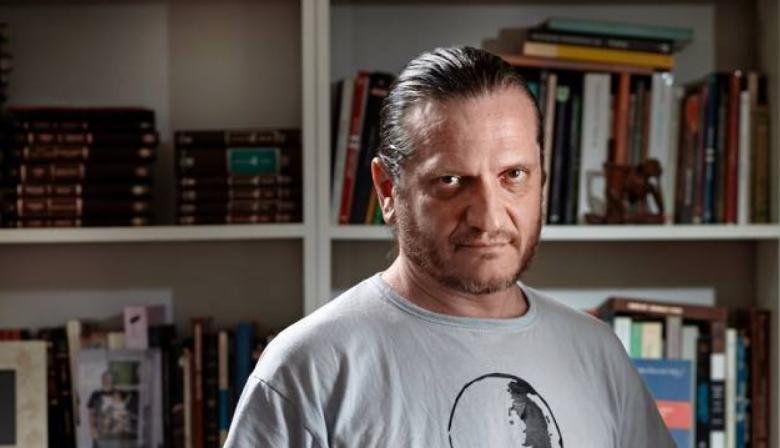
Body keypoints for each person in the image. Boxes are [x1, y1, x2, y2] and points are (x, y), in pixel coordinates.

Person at [224, 46, 674, 447]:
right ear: (387, 190)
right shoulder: (309, 368)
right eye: (452, 180)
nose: (489, 218)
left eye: (513, 175)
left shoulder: (597, 352)